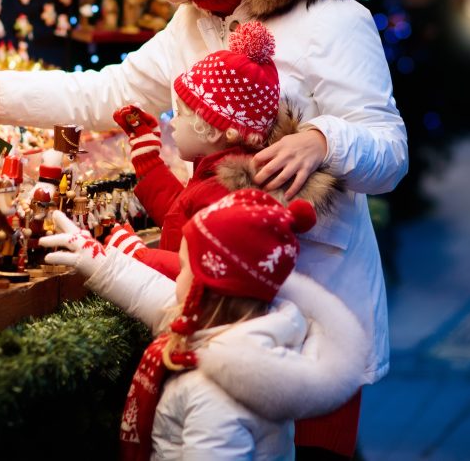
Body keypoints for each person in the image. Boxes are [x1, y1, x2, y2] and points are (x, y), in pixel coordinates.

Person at [0, 0, 408, 458]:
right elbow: (111, 92)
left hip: (313, 303)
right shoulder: (191, 21)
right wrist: (1, 97)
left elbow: (390, 152)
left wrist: (324, 139)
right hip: (215, 300)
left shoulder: (334, 20)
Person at [39, 190, 368, 460]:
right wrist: (102, 262)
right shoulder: (241, 331)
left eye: (184, 268)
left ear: (208, 290)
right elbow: (155, 295)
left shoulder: (215, 393)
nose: (177, 275)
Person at [108, 20, 341, 280]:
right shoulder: (215, 176)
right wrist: (149, 161)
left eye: (181, 114)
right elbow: (181, 217)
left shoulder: (224, 195)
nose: (172, 122)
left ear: (213, 128)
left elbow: (199, 271)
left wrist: (138, 257)